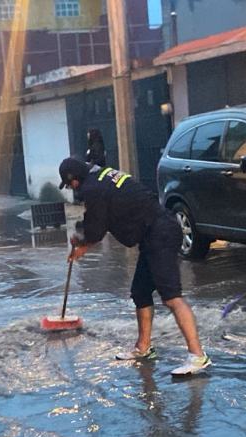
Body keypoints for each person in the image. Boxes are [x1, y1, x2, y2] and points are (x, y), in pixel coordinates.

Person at [59, 157, 211, 376]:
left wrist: (82, 244)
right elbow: (98, 217)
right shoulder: (102, 176)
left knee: (171, 297)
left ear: (74, 178)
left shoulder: (92, 188)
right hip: (154, 232)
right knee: (140, 293)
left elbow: (96, 229)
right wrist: (83, 238)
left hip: (161, 233)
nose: (72, 188)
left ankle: (198, 356)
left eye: (69, 183)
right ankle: (143, 348)